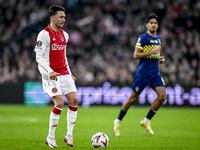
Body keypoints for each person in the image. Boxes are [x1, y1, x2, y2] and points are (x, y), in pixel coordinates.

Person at [113, 13, 166, 136]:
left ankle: (146, 121)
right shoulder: (143, 38)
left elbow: (154, 55)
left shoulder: (158, 38)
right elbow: (136, 55)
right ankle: (118, 121)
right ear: (147, 25)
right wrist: (152, 51)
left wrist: (160, 59)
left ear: (157, 25)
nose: (153, 25)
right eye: (151, 23)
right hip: (143, 74)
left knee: (162, 96)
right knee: (133, 98)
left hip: (155, 73)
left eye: (155, 23)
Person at [34, 5, 78, 148]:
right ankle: (50, 137)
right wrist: (49, 71)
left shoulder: (64, 35)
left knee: (74, 100)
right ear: (52, 18)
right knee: (59, 102)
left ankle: (69, 134)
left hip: (64, 72)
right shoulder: (44, 34)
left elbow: (63, 56)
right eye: (61, 17)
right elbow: (39, 57)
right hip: (50, 75)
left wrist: (69, 73)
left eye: (64, 17)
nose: (64, 20)